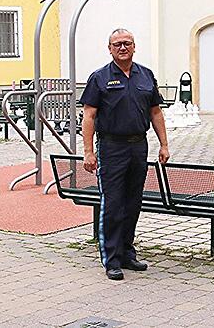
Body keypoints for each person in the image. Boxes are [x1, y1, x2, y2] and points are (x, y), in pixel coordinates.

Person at [80, 28, 170, 281]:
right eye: (117, 44)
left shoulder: (145, 75)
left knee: (133, 202)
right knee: (113, 204)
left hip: (138, 146)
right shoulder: (99, 78)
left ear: (134, 47)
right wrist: (88, 152)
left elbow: (156, 113)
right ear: (109, 48)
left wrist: (164, 145)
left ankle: (127, 251)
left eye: (127, 43)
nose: (122, 47)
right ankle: (112, 258)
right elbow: (89, 116)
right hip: (111, 147)